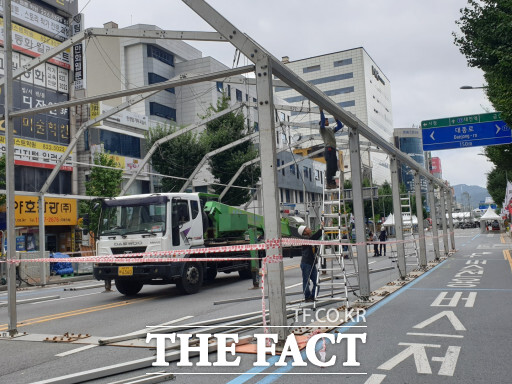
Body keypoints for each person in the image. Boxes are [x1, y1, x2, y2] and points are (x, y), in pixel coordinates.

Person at [319, 109, 343, 189]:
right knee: (329, 166)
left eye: (327, 121)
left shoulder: (330, 130)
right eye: (326, 121)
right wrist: (321, 111)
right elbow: (322, 122)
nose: (327, 121)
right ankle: (328, 183)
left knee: (334, 167)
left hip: (332, 150)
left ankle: (332, 183)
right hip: (328, 149)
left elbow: (340, 126)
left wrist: (336, 119)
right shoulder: (323, 130)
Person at [298, 225, 322, 302]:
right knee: (306, 281)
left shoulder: (309, 238)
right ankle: (307, 297)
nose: (309, 228)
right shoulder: (304, 239)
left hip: (312, 263)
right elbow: (313, 238)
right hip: (306, 263)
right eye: (307, 228)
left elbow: (314, 238)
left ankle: (313, 296)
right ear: (304, 232)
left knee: (316, 281)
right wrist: (321, 229)